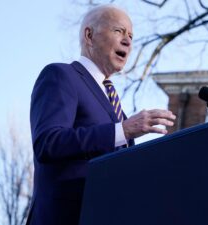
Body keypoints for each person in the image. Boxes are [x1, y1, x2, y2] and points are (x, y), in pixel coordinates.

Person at [27, 4, 176, 225]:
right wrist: (123, 130)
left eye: (131, 36)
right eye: (118, 31)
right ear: (89, 35)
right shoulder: (61, 75)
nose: (128, 41)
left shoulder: (116, 107)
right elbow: (48, 142)